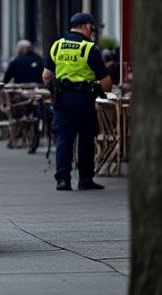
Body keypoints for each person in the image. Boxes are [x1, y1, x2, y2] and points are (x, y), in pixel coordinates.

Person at [43, 13, 113, 191]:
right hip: (84, 100)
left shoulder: (57, 46)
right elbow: (107, 84)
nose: (92, 32)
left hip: (62, 100)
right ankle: (85, 179)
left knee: (64, 138)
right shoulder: (89, 48)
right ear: (85, 27)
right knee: (86, 139)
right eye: (92, 28)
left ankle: (63, 180)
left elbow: (46, 76)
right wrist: (99, 88)